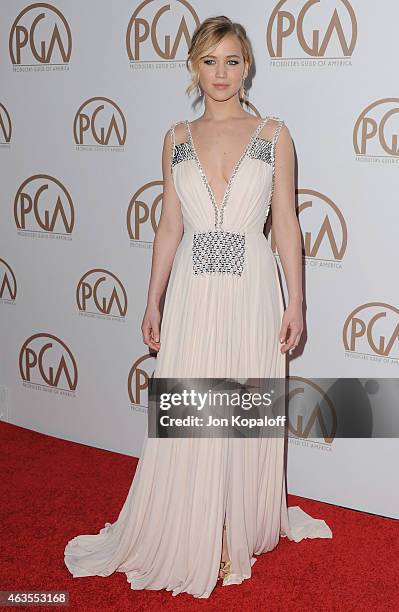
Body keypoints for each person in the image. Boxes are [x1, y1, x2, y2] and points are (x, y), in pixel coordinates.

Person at [64, 15, 332, 599]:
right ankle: (194, 528)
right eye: (210, 61)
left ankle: (235, 524)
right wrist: (152, 298)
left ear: (247, 66)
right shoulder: (176, 137)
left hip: (252, 287)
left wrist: (298, 302)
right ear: (194, 66)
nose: (222, 74)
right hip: (190, 288)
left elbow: (285, 223)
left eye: (233, 61)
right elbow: (168, 226)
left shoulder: (275, 134)